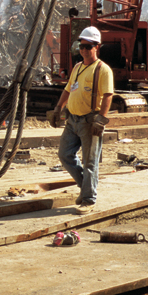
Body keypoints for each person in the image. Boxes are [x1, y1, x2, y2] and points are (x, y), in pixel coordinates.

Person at [53, 26, 114, 215]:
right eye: (82, 46)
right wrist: (58, 107)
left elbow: (108, 95)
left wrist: (101, 120)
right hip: (73, 120)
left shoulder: (103, 70)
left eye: (88, 46)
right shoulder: (78, 67)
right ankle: (85, 187)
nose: (84, 50)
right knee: (65, 154)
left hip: (90, 121)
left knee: (90, 162)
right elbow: (68, 89)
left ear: (97, 47)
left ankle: (88, 199)